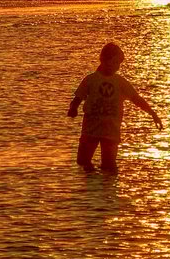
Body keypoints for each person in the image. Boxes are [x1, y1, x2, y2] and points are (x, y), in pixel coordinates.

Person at [67, 42, 162, 173]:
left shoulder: (120, 82)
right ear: (105, 60)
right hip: (90, 130)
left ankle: (107, 191)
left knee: (109, 167)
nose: (117, 67)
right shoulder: (90, 80)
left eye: (119, 64)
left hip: (111, 131)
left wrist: (153, 114)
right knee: (83, 162)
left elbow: (137, 99)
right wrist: (73, 108)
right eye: (115, 62)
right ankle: (89, 190)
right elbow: (77, 99)